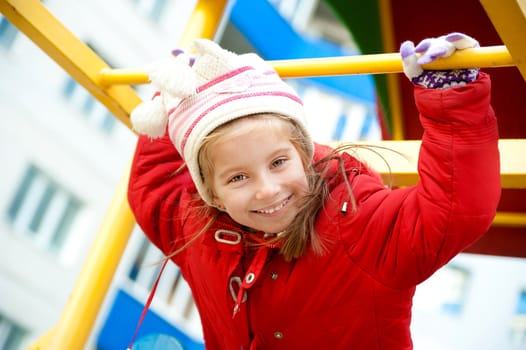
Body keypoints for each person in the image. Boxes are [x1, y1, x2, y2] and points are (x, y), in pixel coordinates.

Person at [127, 33, 501, 349]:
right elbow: (153, 185)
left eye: (278, 162)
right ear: (210, 190)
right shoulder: (197, 231)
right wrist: (174, 102)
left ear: (303, 154)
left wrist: (453, 98)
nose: (267, 190)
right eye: (238, 178)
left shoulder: (359, 226)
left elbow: (453, 209)